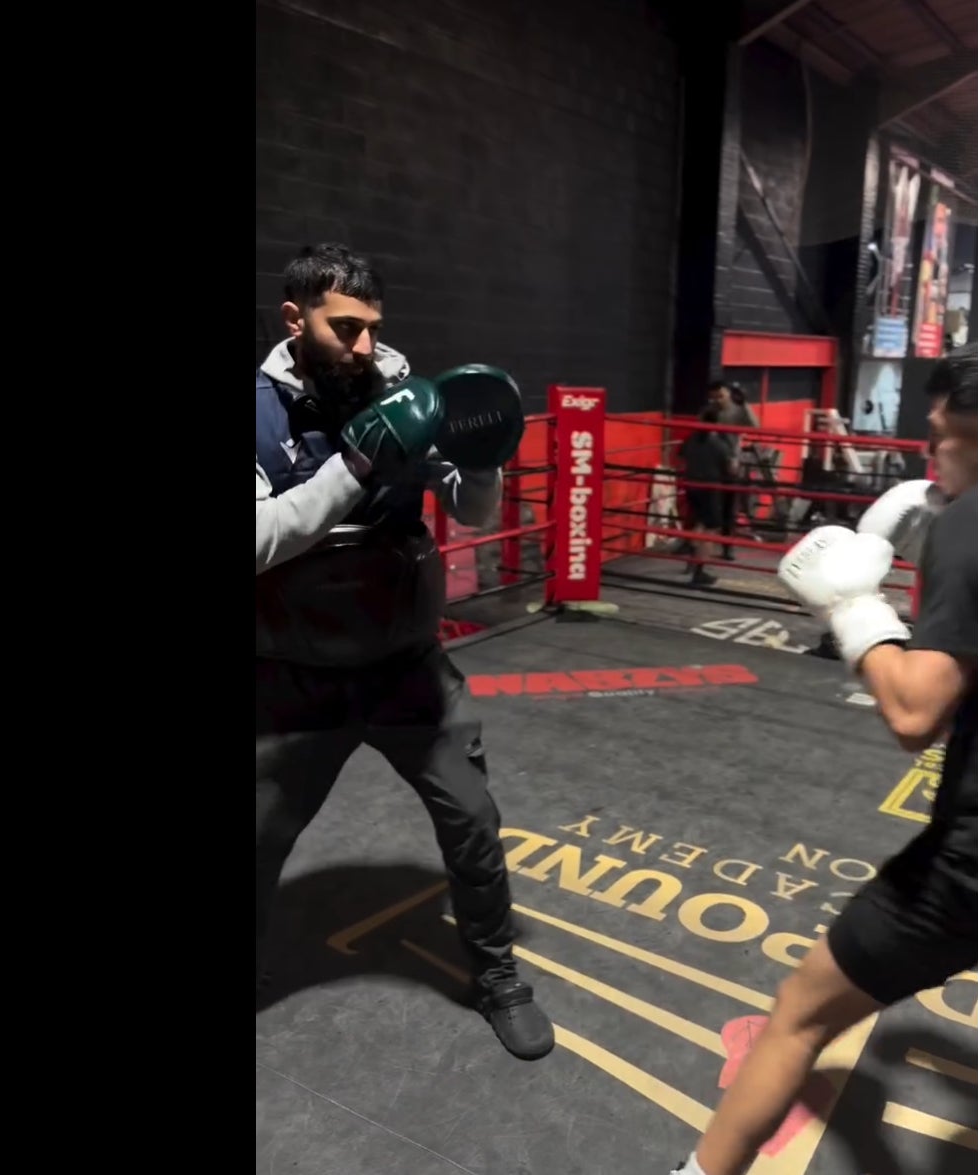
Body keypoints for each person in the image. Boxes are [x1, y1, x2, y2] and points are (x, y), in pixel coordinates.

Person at [670, 346, 978, 1175]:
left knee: (801, 1013)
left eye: (938, 432)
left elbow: (915, 709)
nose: (928, 450)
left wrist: (856, 608)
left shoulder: (968, 522)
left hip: (970, 865)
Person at [254, 242, 554, 1062]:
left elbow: (473, 506)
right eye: (342, 328)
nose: (362, 346)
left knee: (474, 823)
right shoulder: (257, 411)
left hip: (406, 672)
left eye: (372, 329)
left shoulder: (404, 389)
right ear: (295, 318)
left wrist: (486, 461)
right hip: (293, 678)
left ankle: (497, 976)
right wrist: (358, 460)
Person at [674, 381, 745, 586]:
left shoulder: (691, 439)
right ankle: (699, 570)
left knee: (697, 523)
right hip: (710, 487)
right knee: (711, 528)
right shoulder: (719, 444)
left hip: (691, 485)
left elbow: (681, 457)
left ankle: (692, 561)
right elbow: (731, 468)